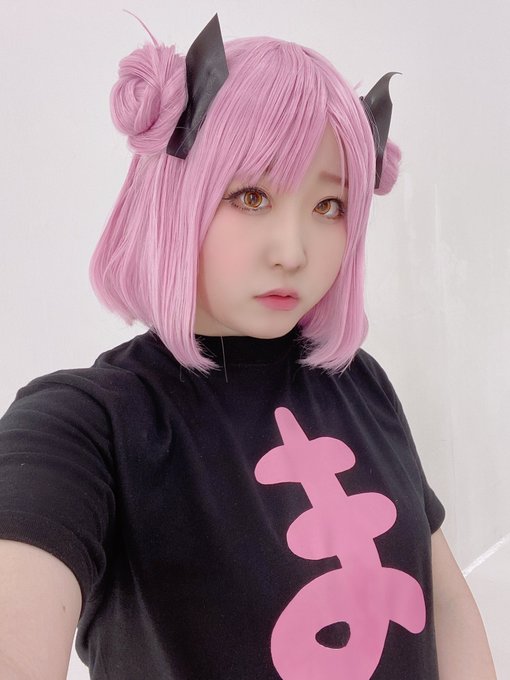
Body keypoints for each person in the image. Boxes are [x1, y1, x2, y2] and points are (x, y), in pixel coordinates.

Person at [0, 14, 496, 680]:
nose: (293, 251)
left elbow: (445, 603)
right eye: (252, 195)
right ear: (175, 194)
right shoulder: (87, 422)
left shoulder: (362, 383)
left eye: (329, 206)